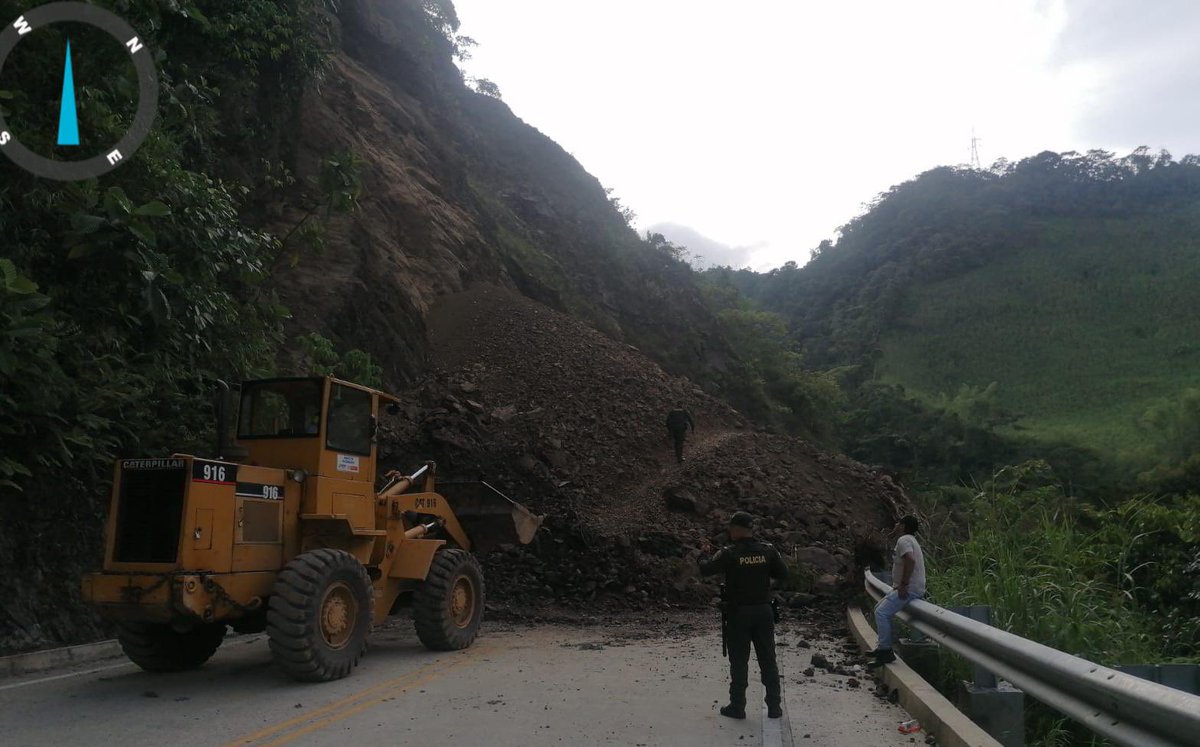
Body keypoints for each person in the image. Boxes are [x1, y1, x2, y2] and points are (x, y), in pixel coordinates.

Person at [698, 511, 788, 720]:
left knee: (739, 661)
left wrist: (703, 554)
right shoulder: (768, 550)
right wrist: (765, 589)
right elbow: (784, 575)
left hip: (739, 613)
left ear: (737, 529)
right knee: (768, 659)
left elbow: (706, 570)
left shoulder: (729, 553)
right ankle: (774, 706)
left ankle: (738, 706)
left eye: (731, 528)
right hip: (764, 611)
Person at [868, 515, 926, 669]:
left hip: (910, 588)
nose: (895, 525)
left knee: (882, 613)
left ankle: (885, 651)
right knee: (878, 609)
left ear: (902, 526)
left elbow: (910, 560)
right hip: (912, 587)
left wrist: (904, 584)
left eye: (897, 523)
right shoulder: (911, 540)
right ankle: (882, 647)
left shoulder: (904, 540)